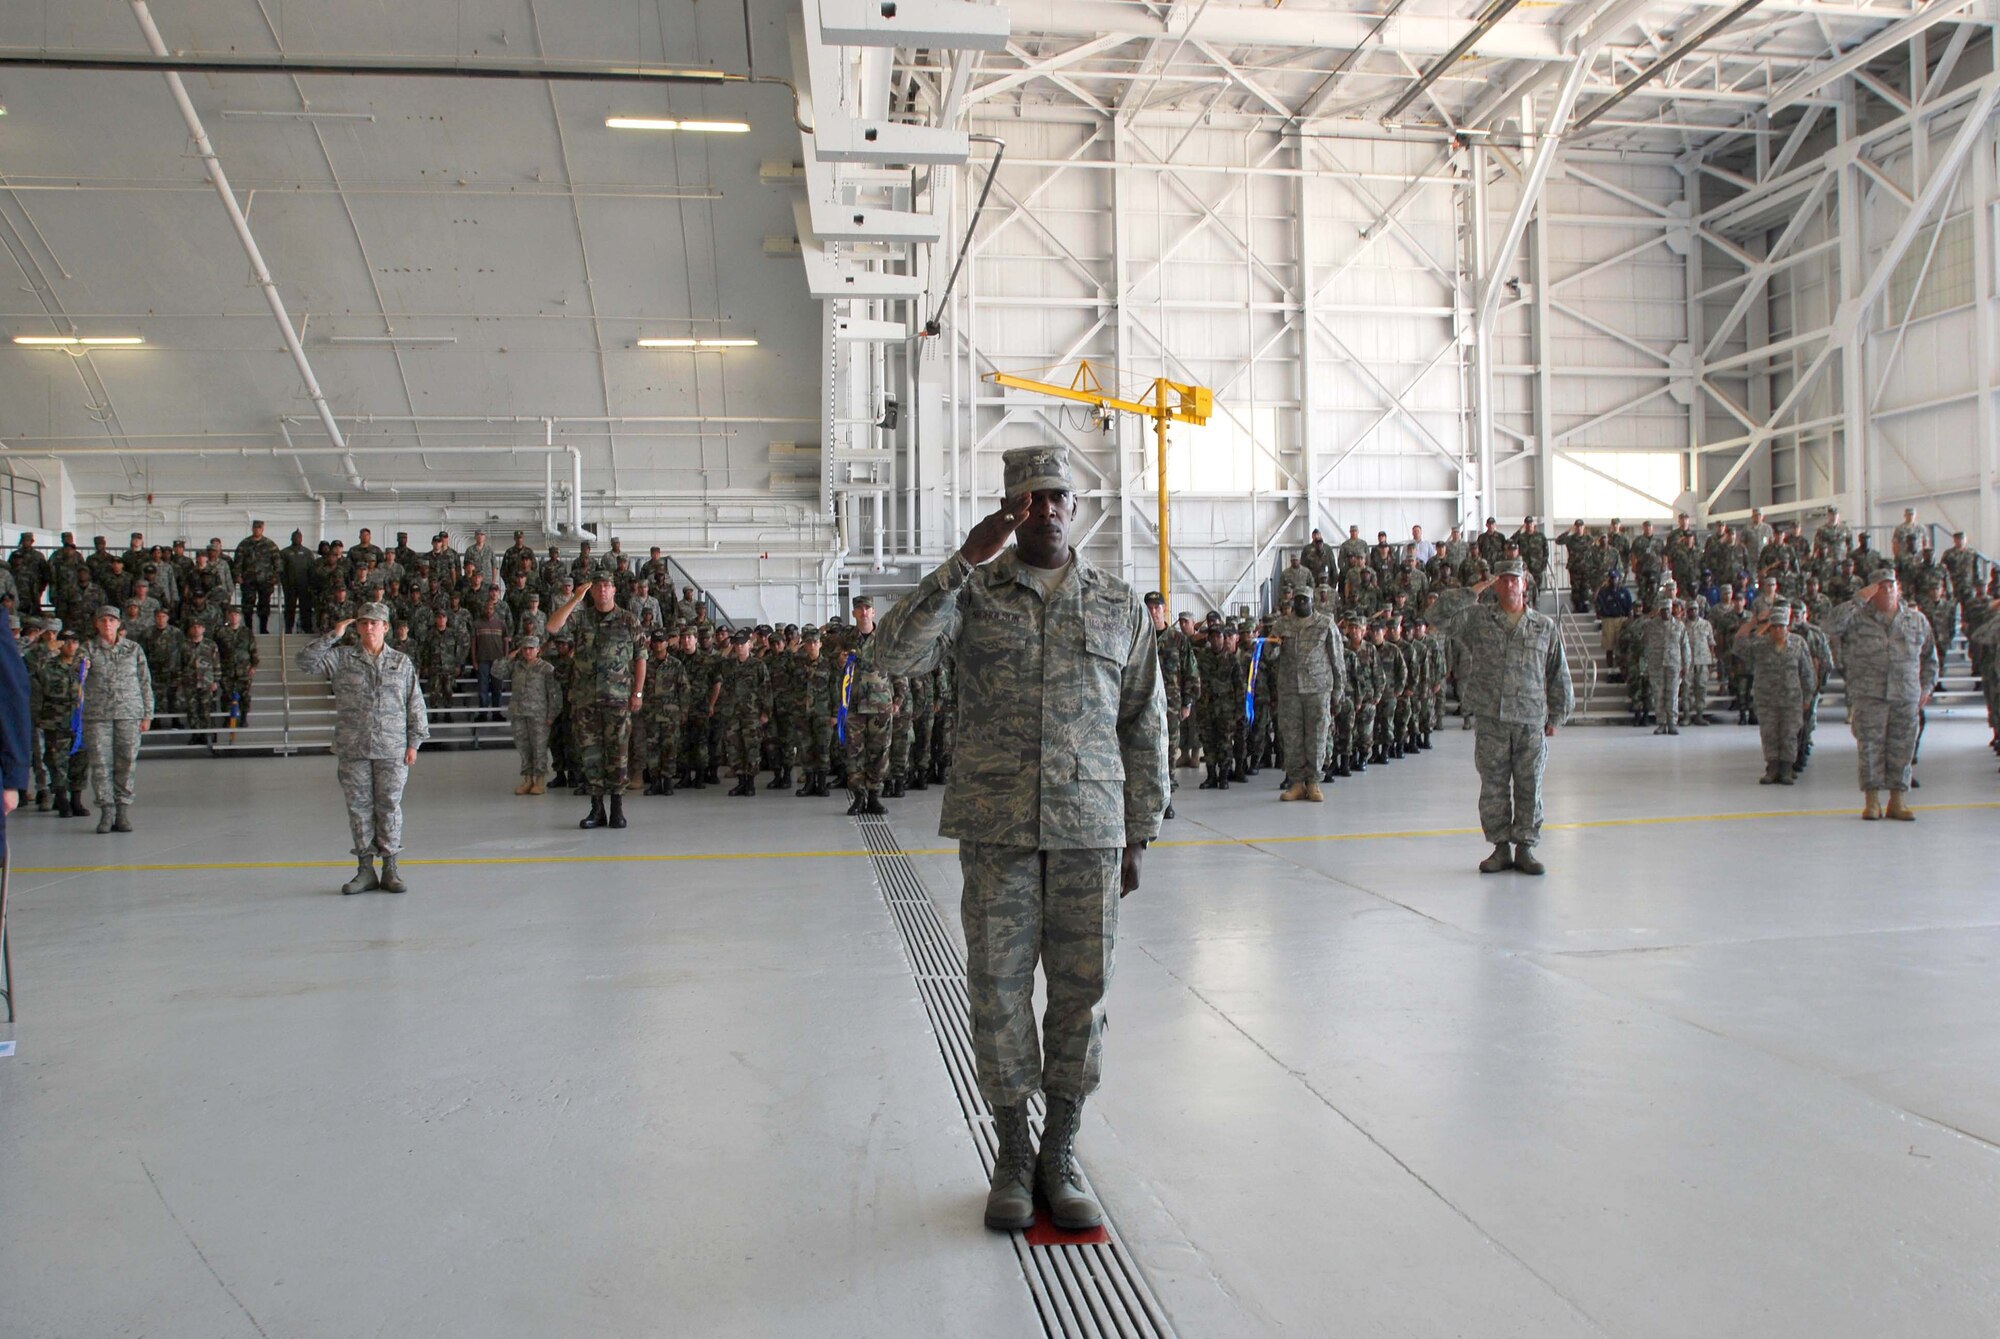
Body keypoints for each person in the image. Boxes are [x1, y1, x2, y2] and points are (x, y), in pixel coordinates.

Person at [868, 444, 1168, 1234]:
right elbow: (891, 654)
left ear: (1076, 507)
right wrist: (963, 560)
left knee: (1080, 997)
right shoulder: (974, 595)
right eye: (1028, 499)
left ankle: (1060, 1151)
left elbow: (1144, 719)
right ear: (1009, 509)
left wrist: (1141, 830)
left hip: (1089, 833)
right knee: (997, 993)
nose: (1045, 510)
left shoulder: (1117, 603)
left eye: (1056, 496)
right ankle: (1011, 1150)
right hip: (997, 830)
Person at [1431, 560, 1572, 875]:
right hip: (1491, 718)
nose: (1509, 585)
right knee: (1493, 785)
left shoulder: (1543, 626)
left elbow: (1557, 672)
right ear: (1495, 585)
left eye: (1515, 580)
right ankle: (1500, 848)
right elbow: (1437, 615)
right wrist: (1472, 591)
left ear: (1524, 585)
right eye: (1503, 580)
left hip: (1530, 720)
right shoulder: (1479, 620)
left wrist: (1558, 714)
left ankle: (1525, 847)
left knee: (1529, 784)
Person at [297, 603, 429, 893]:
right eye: (364, 623)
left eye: (375, 623)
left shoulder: (401, 662)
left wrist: (414, 743)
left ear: (386, 627)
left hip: (392, 749)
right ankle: (365, 870)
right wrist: (333, 634)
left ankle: (391, 869)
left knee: (389, 807)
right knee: (359, 809)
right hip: (353, 747)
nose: (369, 627)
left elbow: (414, 703)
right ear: (356, 628)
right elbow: (305, 662)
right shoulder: (342, 658)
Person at [1829, 573, 1938, 821]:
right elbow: (1831, 625)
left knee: (1902, 747)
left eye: (1892, 586)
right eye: (1881, 587)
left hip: (1905, 695)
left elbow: (1930, 656)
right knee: (1869, 747)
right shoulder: (1858, 618)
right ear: (1872, 591)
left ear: (1899, 589)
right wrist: (1857, 599)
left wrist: (1927, 686)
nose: (1888, 591)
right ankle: (1872, 801)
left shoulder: (1916, 620)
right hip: (1870, 694)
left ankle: (1897, 801)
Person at [547, 572, 645, 830]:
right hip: (586, 701)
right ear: (591, 592)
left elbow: (640, 658)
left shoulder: (628, 620)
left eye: (607, 585)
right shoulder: (581, 618)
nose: (603, 590)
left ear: (614, 590)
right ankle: (596, 809)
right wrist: (574, 599)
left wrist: (637, 693)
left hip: (618, 700)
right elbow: (552, 627)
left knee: (619, 755)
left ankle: (617, 808)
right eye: (598, 586)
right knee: (590, 755)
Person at [1266, 589, 1346, 801]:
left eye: (1305, 600)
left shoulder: (1326, 623)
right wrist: (1273, 643)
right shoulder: (1282, 624)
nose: (1301, 603)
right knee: (1292, 739)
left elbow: (1337, 659)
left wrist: (1338, 690)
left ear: (1312, 601)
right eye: (1298, 600)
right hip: (1290, 690)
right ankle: (1297, 783)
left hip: (1318, 690)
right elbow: (1269, 655)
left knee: (1317, 738)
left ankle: (1314, 782)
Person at [81, 605, 153, 834]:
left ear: (119, 624)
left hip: (129, 713)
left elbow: (144, 682)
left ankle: (122, 810)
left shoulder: (133, 649)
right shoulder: (87, 650)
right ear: (96, 624)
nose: (107, 625)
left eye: (112, 621)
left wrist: (147, 714)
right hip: (97, 715)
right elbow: (76, 681)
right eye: (103, 621)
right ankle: (106, 811)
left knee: (127, 762)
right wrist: (81, 669)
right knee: (101, 765)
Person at [1733, 603, 1814, 784]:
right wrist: (1754, 621)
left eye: (1782, 627)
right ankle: (1772, 767)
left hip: (1791, 699)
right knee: (1769, 734)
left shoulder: (1798, 644)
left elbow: (1807, 673)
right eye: (1774, 626)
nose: (1778, 630)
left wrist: (1807, 697)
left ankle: (1786, 768)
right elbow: (1738, 644)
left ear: (1788, 627)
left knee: (1789, 733)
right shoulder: (1760, 645)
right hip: (1766, 698)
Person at [492, 635, 561, 795]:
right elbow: (496, 671)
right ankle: (527, 779)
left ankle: (539, 780)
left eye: (531, 648)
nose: (528, 651)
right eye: (525, 648)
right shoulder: (516, 666)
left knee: (539, 748)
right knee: (524, 748)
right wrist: (511, 655)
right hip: (519, 713)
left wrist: (552, 715)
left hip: (539, 714)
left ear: (538, 650)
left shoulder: (546, 669)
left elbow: (555, 694)